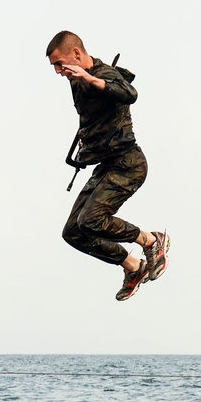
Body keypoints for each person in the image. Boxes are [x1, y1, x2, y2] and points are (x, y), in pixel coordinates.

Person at [46, 31, 170, 301]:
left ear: (77, 54)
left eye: (60, 64)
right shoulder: (76, 80)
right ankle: (133, 267)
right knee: (74, 232)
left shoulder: (103, 74)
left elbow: (130, 93)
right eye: (54, 67)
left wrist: (92, 79)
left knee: (91, 219)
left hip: (128, 163)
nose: (58, 71)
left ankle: (151, 241)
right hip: (105, 166)